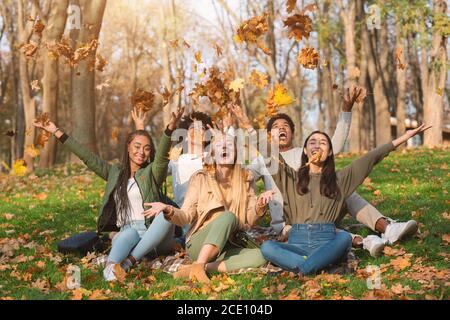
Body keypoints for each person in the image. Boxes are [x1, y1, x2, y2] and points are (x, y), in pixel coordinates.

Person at [251, 88, 419, 257]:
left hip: (323, 209)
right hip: (292, 224)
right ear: (268, 135)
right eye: (276, 127)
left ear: (292, 133)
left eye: (286, 126)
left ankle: (387, 228)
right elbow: (242, 175)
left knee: (343, 191)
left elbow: (335, 145)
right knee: (314, 227)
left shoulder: (304, 152)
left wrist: (346, 111)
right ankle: (363, 242)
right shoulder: (263, 160)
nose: (281, 128)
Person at [33, 106, 184, 281]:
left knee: (165, 215)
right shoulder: (114, 173)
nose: (141, 152)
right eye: (137, 146)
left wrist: (169, 129)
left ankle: (128, 262)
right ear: (128, 147)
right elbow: (86, 156)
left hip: (154, 237)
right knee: (127, 234)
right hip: (129, 233)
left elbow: (162, 159)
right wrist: (55, 131)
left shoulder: (151, 173)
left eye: (147, 149)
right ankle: (111, 268)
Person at [260, 124, 431, 275]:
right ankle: (312, 266)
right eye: (312, 142)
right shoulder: (291, 178)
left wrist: (404, 138)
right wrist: (245, 122)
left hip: (326, 241)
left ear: (330, 152)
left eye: (323, 142)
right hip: (297, 242)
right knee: (267, 247)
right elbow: (268, 154)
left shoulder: (340, 180)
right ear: (305, 151)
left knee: (344, 239)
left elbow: (371, 158)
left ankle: (302, 268)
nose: (317, 145)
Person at [142, 130, 273, 283]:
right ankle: (199, 263)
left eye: (229, 145)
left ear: (236, 152)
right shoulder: (200, 178)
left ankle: (201, 268)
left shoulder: (245, 179)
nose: (225, 148)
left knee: (261, 255)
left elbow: (249, 221)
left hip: (228, 243)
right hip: (200, 242)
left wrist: (259, 205)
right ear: (212, 153)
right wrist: (167, 208)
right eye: (219, 145)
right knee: (228, 217)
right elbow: (185, 216)